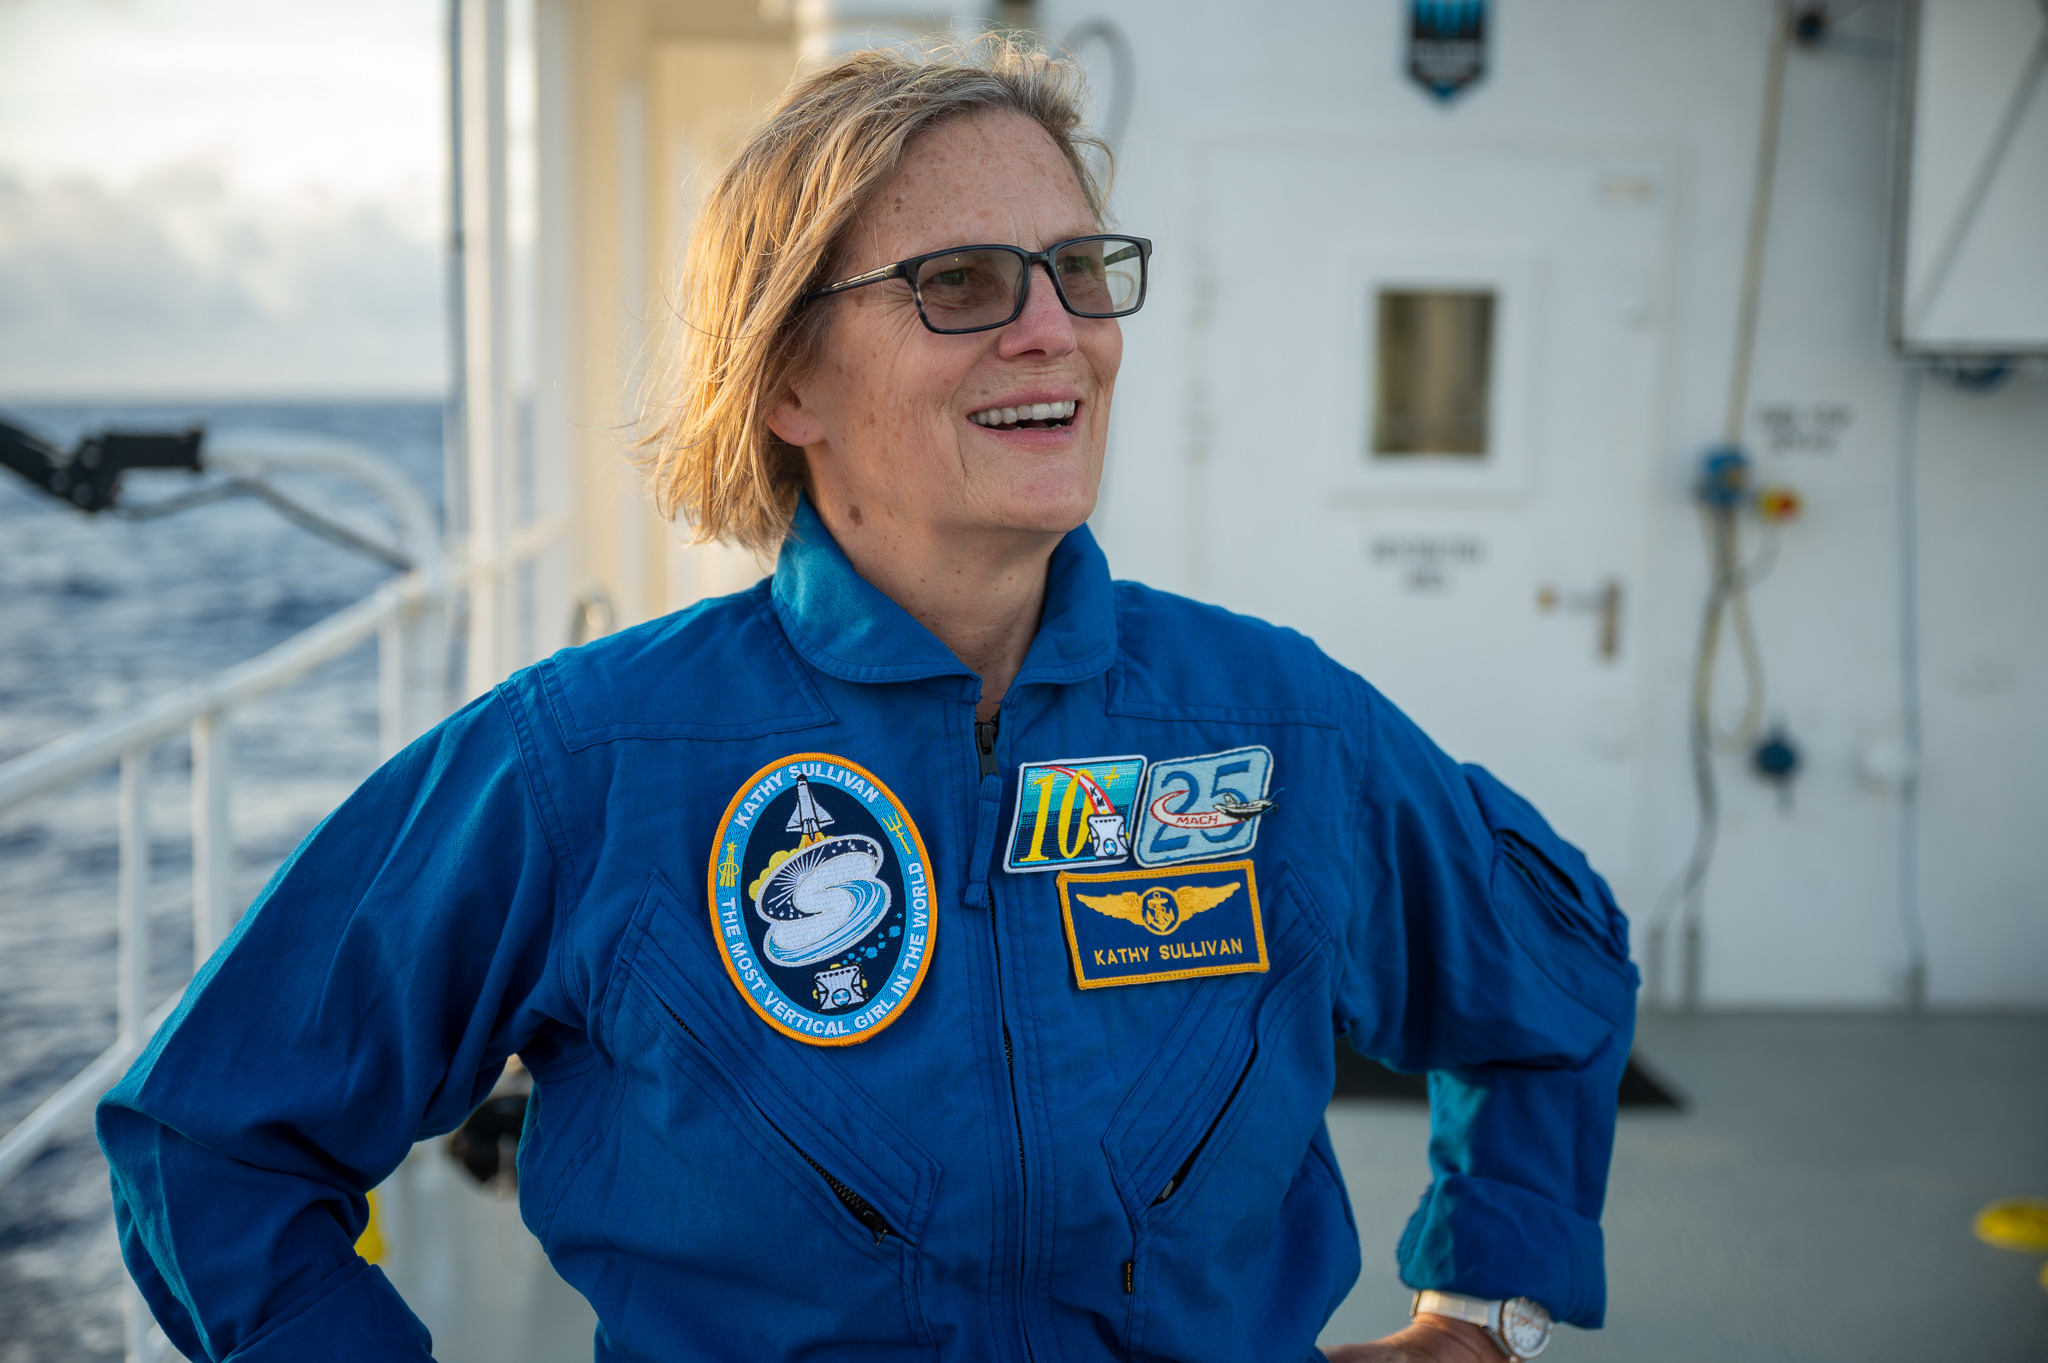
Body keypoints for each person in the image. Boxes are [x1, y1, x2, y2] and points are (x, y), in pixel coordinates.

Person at [99, 37, 1637, 1363]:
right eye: (961, 283)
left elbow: (1550, 973)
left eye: (1080, 271)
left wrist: (1484, 1309)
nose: (1058, 331)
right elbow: (214, 1137)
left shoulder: (1277, 729)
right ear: (788, 383)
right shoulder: (588, 765)